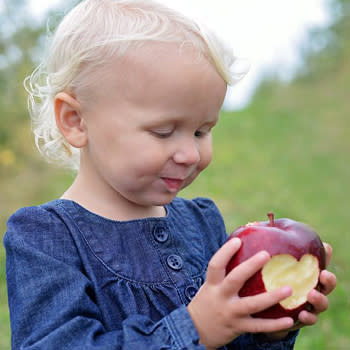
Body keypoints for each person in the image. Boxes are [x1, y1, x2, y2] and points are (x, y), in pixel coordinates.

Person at [4, 0, 337, 349]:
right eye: (163, 132)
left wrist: (268, 326)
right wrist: (194, 329)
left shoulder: (202, 224)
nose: (192, 154)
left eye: (202, 131)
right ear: (76, 121)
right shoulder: (46, 240)